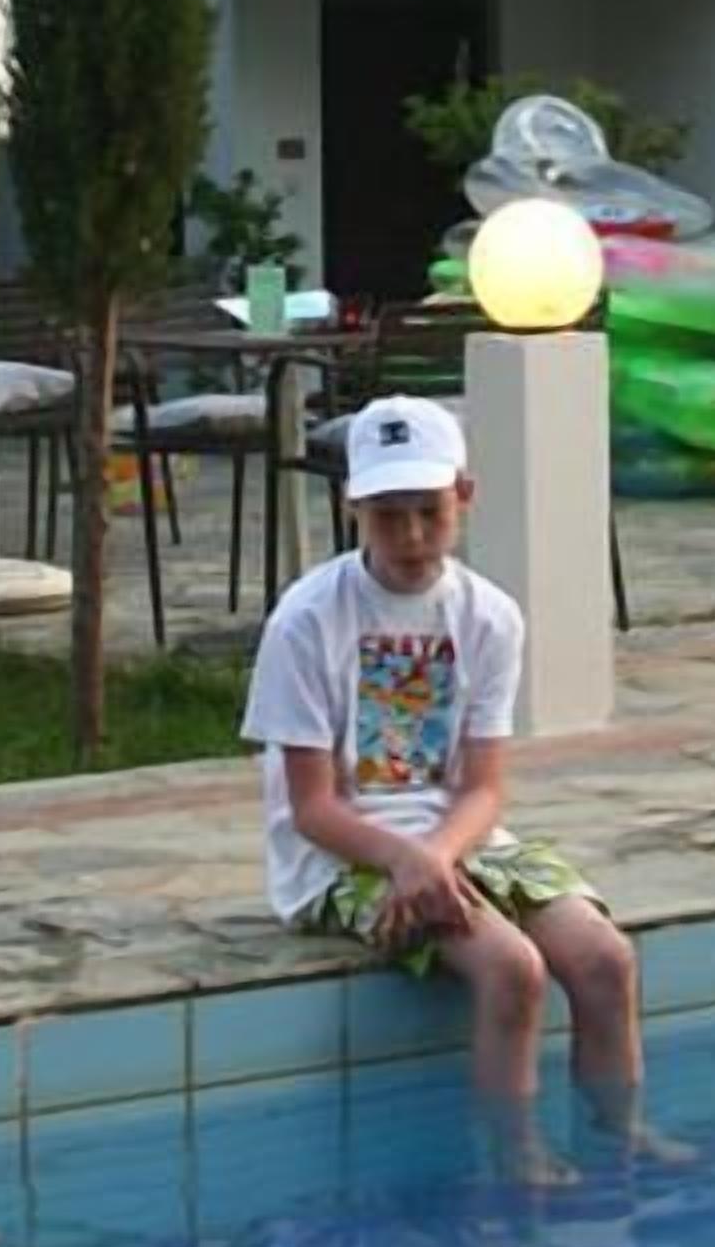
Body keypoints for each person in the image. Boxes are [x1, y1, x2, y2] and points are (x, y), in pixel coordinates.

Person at [242, 391, 651, 1145]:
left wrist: (433, 856)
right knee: (511, 969)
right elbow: (310, 808)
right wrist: (405, 861)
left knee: (604, 958)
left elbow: (484, 787)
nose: (411, 534)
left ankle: (618, 1133)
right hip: (337, 861)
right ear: (353, 506)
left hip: (455, 840)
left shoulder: (490, 616)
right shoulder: (307, 620)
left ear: (464, 495)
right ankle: (513, 1154)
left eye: (429, 509)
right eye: (388, 513)